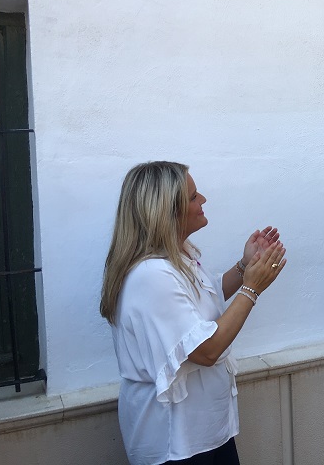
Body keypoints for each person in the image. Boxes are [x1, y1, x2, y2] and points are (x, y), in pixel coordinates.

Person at [100, 161, 287, 465]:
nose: (203, 200)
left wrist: (244, 266)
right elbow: (206, 350)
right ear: (166, 211)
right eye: (193, 196)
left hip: (202, 433)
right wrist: (252, 289)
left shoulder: (176, 257)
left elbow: (204, 299)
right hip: (175, 443)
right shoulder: (151, 276)